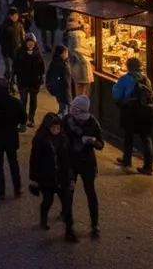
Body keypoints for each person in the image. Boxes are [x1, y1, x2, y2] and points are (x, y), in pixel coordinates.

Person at [62, 96, 104, 240]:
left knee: (90, 192)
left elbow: (100, 145)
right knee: (69, 193)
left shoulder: (93, 123)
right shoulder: (67, 120)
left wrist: (93, 141)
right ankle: (69, 226)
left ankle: (95, 223)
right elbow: (60, 139)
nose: (72, 109)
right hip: (70, 162)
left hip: (87, 163)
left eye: (75, 107)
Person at [28, 113, 73, 237]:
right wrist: (34, 178)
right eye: (53, 128)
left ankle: (69, 228)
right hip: (47, 177)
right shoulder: (40, 140)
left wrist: (69, 175)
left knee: (66, 201)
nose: (56, 130)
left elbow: (67, 158)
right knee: (48, 200)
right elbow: (34, 161)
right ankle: (43, 219)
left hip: (61, 176)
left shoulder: (63, 139)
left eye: (58, 127)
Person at [111, 56, 153, 176]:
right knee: (146, 138)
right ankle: (148, 166)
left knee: (128, 135)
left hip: (130, 112)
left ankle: (127, 160)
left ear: (128, 67)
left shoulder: (125, 79)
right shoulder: (146, 79)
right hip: (147, 112)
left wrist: (115, 88)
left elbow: (117, 96)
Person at [13, 33, 46, 128]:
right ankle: (22, 120)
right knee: (22, 101)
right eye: (29, 42)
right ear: (25, 43)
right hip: (23, 81)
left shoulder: (38, 53)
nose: (30, 44)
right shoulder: (20, 52)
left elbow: (42, 67)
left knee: (33, 101)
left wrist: (41, 78)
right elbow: (15, 66)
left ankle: (31, 118)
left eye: (32, 42)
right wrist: (14, 77)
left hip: (34, 82)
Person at [0, 8, 25, 86]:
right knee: (9, 69)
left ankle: (11, 82)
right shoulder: (4, 25)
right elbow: (0, 38)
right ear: (9, 16)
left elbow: (22, 36)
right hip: (7, 51)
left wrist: (22, 46)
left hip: (16, 51)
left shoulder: (19, 25)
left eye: (16, 15)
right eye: (13, 15)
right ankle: (8, 81)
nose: (15, 17)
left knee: (15, 69)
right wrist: (5, 45)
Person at [46, 46, 74, 114]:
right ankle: (63, 119)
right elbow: (55, 79)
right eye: (66, 52)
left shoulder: (65, 62)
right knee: (64, 109)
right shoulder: (58, 64)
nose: (67, 54)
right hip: (62, 91)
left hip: (66, 90)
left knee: (66, 108)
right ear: (61, 54)